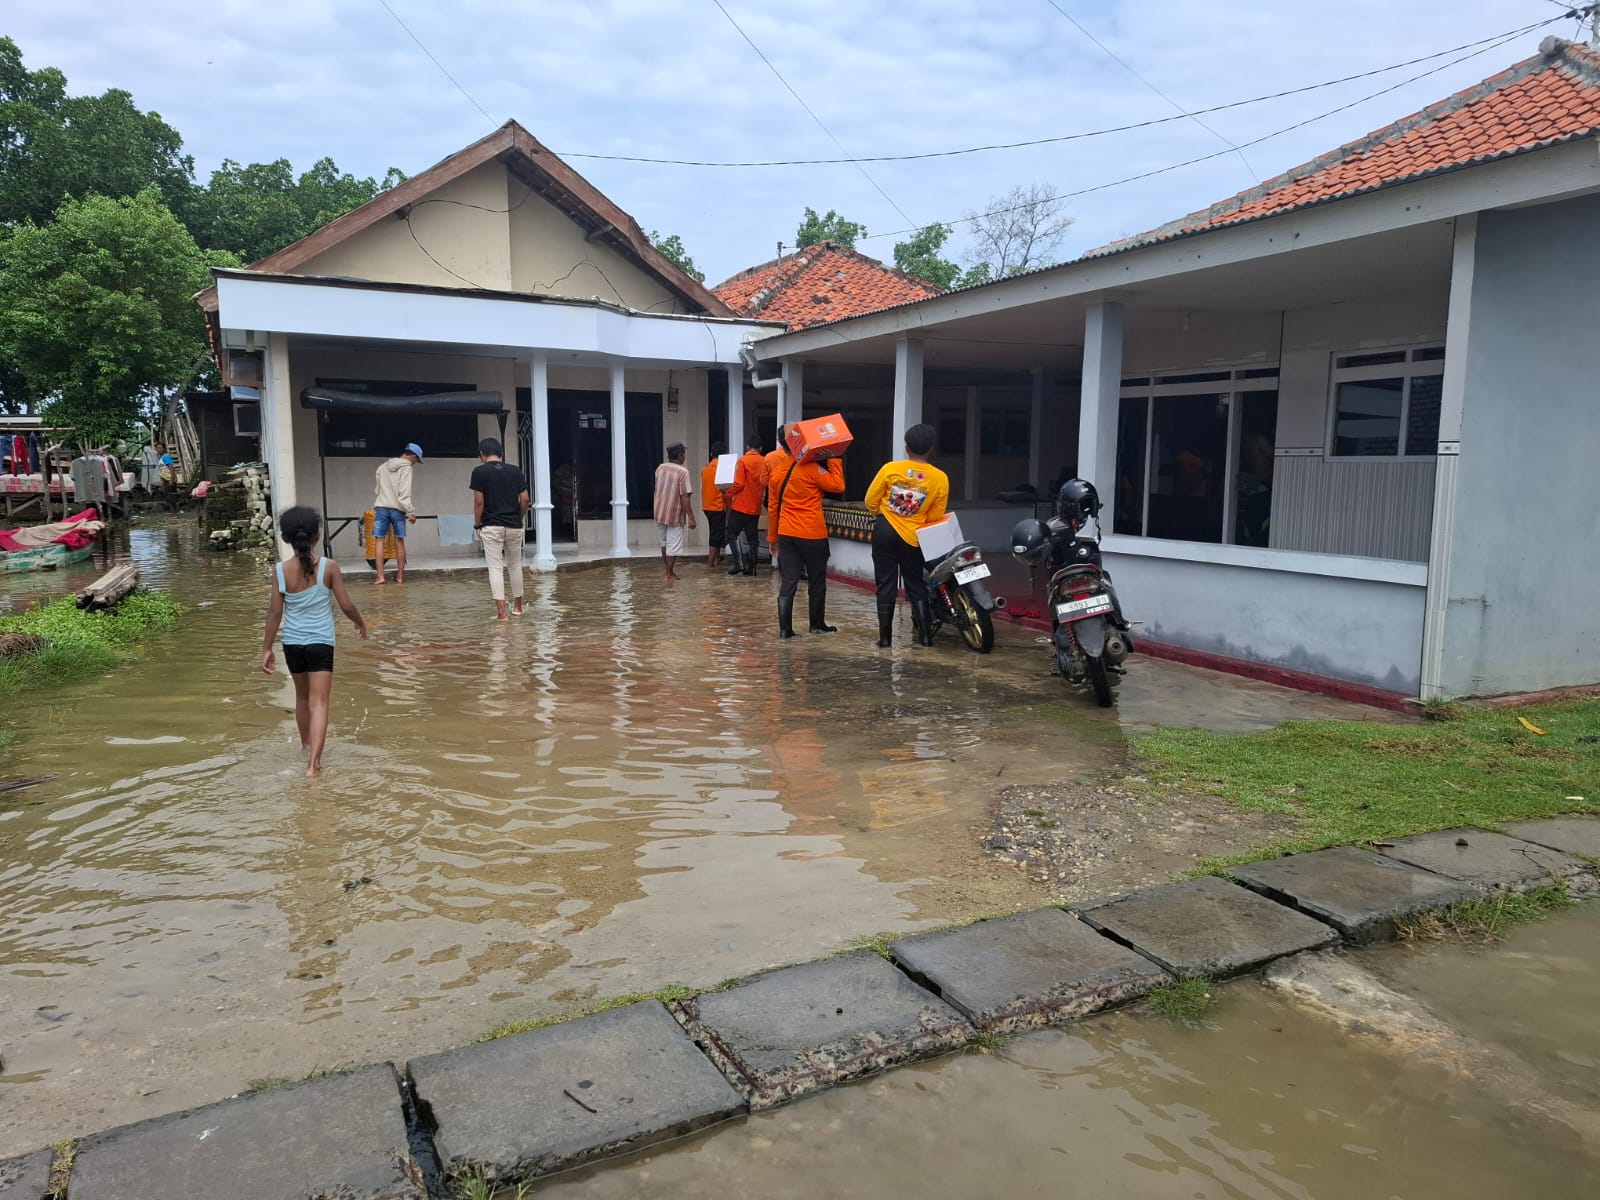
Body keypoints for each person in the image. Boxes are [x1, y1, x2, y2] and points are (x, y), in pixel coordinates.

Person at [260, 506, 367, 777]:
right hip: (321, 644)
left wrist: (266, 649)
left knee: (302, 697)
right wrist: (360, 623)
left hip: (293, 644)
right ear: (317, 536)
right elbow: (345, 605)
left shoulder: (280, 570)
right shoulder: (329, 567)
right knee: (319, 702)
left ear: (285, 539)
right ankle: (314, 765)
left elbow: (274, 612)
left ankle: (306, 748)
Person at [865, 423, 949, 648]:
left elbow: (870, 500)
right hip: (913, 537)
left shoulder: (890, 469)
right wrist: (915, 517)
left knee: (885, 584)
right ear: (930, 449)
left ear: (906, 448)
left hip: (885, 530)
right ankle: (925, 637)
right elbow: (935, 515)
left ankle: (885, 639)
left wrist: (883, 513)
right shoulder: (940, 478)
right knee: (915, 584)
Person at [772, 446, 846, 638]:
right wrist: (833, 458)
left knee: (788, 581)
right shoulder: (812, 468)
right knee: (816, 581)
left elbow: (773, 507)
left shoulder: (777, 472)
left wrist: (773, 537)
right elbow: (838, 485)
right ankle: (816, 625)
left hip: (786, 533)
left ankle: (785, 630)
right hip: (812, 533)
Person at [470, 437, 530, 621]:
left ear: (482, 454)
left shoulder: (479, 472)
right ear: (501, 453)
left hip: (491, 525)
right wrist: (517, 519)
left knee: (495, 568)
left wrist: (477, 524)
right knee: (515, 566)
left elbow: (479, 502)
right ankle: (518, 608)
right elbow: (525, 499)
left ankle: (502, 614)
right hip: (514, 525)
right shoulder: (515, 471)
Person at [373, 442, 423, 584]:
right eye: (416, 460)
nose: (415, 463)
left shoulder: (382, 467)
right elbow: (404, 493)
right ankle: (400, 576)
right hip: (398, 509)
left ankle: (380, 576)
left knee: (379, 541)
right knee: (399, 541)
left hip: (381, 507)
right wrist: (411, 511)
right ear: (412, 456)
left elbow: (377, 489)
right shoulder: (407, 469)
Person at [653, 442, 696, 580]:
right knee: (674, 544)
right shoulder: (683, 472)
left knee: (664, 542)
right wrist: (691, 517)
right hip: (674, 513)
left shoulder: (660, 468)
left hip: (659, 511)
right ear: (680, 455)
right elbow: (684, 496)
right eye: (684, 453)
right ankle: (669, 573)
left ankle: (668, 571)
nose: (685, 456)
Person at [725, 433, 767, 576]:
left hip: (741, 505)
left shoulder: (742, 461)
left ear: (748, 447)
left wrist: (728, 494)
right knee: (752, 538)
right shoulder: (765, 461)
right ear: (760, 448)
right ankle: (752, 568)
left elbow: (739, 483)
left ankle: (739, 564)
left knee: (731, 534)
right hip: (755, 507)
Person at [763, 426, 794, 573]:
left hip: (783, 513)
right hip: (810, 527)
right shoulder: (806, 463)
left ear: (778, 440)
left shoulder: (770, 458)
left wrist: (772, 537)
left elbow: (763, 481)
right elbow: (836, 485)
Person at [700, 442, 729, 570]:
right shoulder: (722, 469)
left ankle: (716, 560)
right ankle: (710, 565)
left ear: (712, 453)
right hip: (718, 506)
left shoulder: (705, 469)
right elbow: (725, 490)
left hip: (707, 505)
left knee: (714, 532)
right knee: (716, 535)